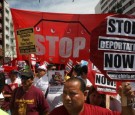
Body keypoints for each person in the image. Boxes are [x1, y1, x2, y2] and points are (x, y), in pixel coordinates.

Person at [49, 77, 134, 115]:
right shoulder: (56, 113)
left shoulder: (98, 112)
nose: (67, 98)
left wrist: (126, 100)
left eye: (72, 93)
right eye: (65, 93)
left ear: (85, 94)